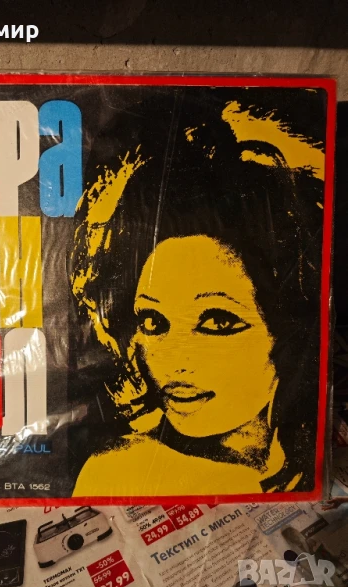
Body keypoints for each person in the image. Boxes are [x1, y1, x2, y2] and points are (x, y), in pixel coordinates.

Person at [70, 90, 323, 497]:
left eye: (217, 322)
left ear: (285, 332)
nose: (175, 361)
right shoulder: (119, 470)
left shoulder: (307, 460)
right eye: (154, 322)